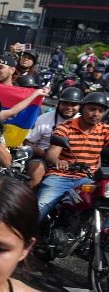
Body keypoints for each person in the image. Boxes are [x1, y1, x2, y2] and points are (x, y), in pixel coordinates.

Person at [37, 91, 109, 223]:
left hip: (88, 179)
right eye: (92, 109)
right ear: (82, 108)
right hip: (60, 176)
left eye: (101, 110)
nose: (96, 114)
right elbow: (52, 153)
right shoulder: (65, 128)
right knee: (40, 208)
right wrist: (59, 161)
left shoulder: (105, 130)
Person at [24, 85, 82, 188]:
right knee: (36, 170)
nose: (69, 107)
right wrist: (43, 153)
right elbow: (28, 142)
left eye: (73, 104)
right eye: (65, 103)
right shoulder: (43, 119)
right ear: (58, 103)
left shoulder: (84, 121)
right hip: (43, 159)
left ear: (80, 106)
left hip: (73, 162)